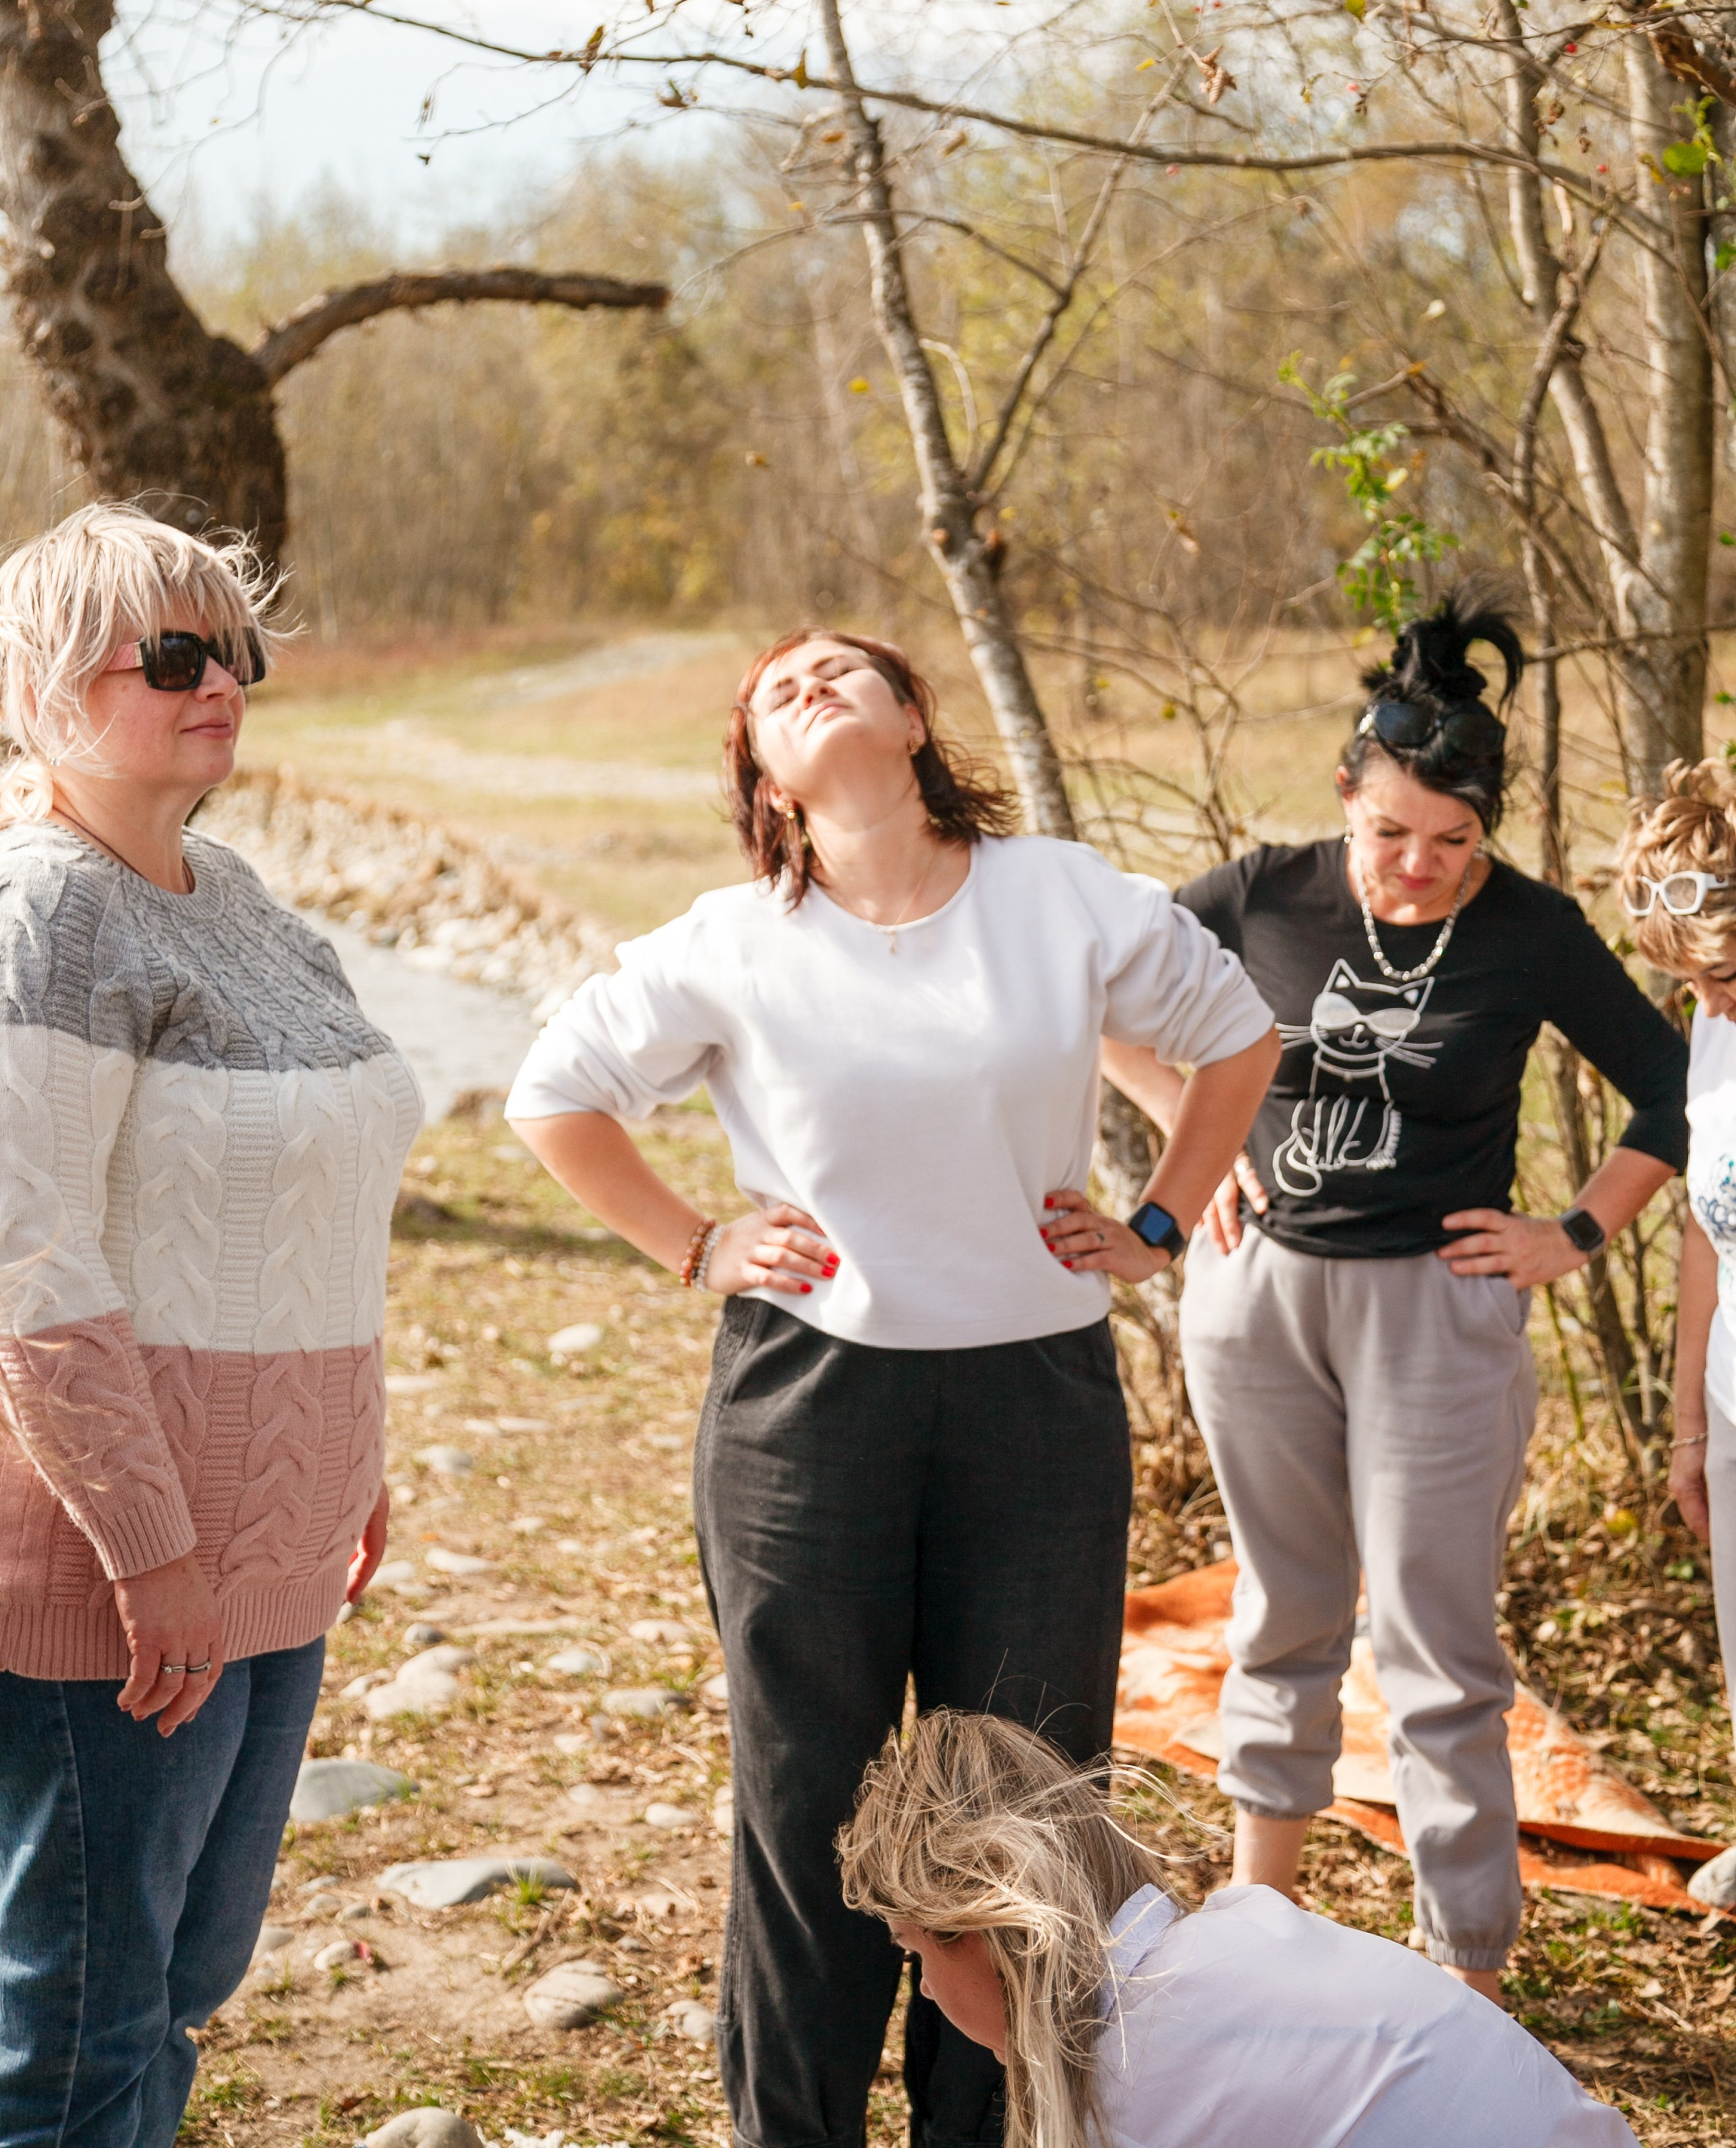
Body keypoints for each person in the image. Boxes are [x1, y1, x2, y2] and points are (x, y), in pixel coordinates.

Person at [507, 625, 1279, 2148]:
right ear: (763, 782)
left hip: (1033, 1411)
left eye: (843, 668)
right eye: (773, 690)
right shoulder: (730, 939)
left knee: (1022, 1805)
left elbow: (1238, 1037)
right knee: (805, 1811)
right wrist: (694, 1241)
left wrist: (1154, 1223)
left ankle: (986, 2130)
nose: (809, 683)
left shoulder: (1056, 897)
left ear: (915, 714)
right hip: (806, 1415)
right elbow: (554, 1094)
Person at [1111, 592, 1687, 1999]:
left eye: (1452, 844)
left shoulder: (1534, 931)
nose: (1417, 870)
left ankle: (1464, 1968)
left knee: (1434, 1640)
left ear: (1486, 833)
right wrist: (1198, 1159)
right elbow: (1100, 1005)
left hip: (1436, 1313)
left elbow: (1676, 1086)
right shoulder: (1258, 893)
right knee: (1281, 1608)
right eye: (1388, 837)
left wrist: (1574, 1230)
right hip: (1257, 1300)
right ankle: (1261, 1929)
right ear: (1341, 802)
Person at [0, 505, 422, 2148]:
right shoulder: (47, 910)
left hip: (276, 1534)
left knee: (184, 1975)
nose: (219, 681)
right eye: (168, 654)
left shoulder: (233, 892)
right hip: (118, 1563)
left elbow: (321, 1198)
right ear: (40, 685)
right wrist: (149, 1545)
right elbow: (28, 1258)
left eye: (232, 649)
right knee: (77, 2016)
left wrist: (351, 1459)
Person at [837, 1707, 1637, 2147]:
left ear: (980, 1928)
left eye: (917, 1954)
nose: (931, 1996)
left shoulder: (1129, 2079)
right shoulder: (1243, 1922)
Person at [1615, 762, 1736, 1717]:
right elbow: (1706, 1223)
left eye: (1723, 974)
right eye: (1689, 982)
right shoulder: (1714, 1025)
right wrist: (1691, 1425)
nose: (1710, 1001)